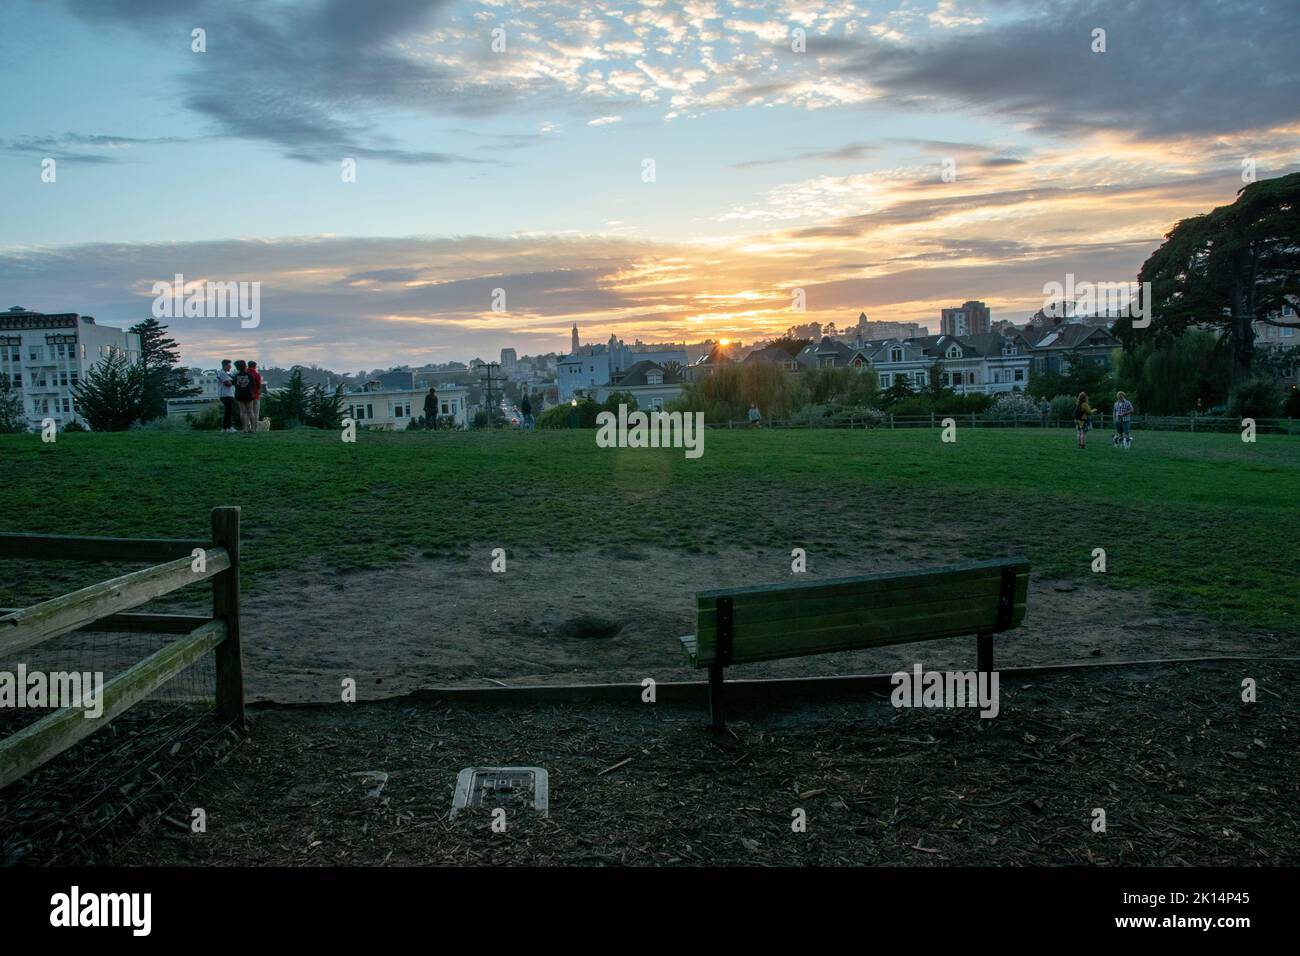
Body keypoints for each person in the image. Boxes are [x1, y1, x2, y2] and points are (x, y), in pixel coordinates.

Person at [232, 360, 255, 433]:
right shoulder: (249, 375)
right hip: (248, 394)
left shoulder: (236, 376)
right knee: (250, 411)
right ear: (245, 366)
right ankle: (253, 429)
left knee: (242, 411)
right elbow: (253, 385)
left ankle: (245, 428)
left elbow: (234, 384)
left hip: (240, 394)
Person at [216, 359, 236, 432]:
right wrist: (232, 382)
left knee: (227, 412)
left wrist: (230, 381)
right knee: (228, 412)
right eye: (229, 366)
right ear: (225, 365)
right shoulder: (222, 373)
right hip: (226, 395)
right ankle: (229, 427)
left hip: (225, 395)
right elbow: (228, 384)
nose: (230, 367)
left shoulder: (223, 373)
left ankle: (224, 428)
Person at [248, 361, 264, 427]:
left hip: (246, 395)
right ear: (255, 366)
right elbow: (259, 385)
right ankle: (254, 427)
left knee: (247, 412)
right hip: (255, 395)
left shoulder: (245, 373)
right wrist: (259, 392)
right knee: (255, 412)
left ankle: (247, 426)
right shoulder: (256, 374)